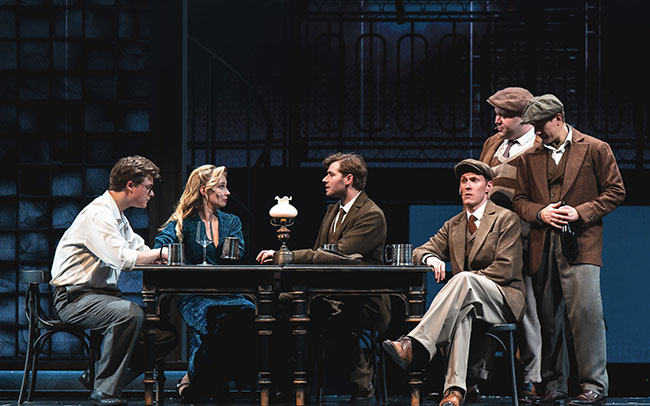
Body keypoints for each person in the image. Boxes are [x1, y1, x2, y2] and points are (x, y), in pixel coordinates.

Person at [382, 158, 526, 406]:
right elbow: (420, 251)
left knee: (463, 280)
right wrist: (431, 257)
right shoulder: (454, 224)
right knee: (462, 314)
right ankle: (455, 392)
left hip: (502, 299)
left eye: (474, 180)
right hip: (468, 300)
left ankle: (415, 344)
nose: (467, 186)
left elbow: (505, 269)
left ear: (488, 187)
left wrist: (463, 281)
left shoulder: (506, 219)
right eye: (463, 181)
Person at [513, 94, 625, 405]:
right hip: (542, 244)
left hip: (581, 242)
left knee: (586, 315)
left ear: (559, 118)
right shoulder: (528, 157)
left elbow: (616, 191)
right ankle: (554, 384)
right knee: (548, 318)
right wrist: (540, 213)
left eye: (541, 125)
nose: (537, 132)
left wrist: (581, 211)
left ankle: (594, 385)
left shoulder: (595, 148)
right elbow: (519, 200)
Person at [257, 152, 388, 401]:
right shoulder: (333, 211)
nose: (324, 180)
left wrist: (287, 256)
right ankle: (290, 379)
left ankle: (362, 376)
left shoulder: (371, 215)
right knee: (279, 303)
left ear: (348, 179)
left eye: (330, 174)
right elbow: (321, 253)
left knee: (332, 319)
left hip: (361, 298)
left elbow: (337, 255)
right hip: (329, 293)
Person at [50, 155, 175, 406]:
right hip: (75, 298)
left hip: (100, 297)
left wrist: (156, 257)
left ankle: (97, 375)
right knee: (129, 314)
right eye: (148, 187)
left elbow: (138, 249)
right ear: (130, 186)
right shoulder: (99, 214)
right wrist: (159, 253)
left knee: (165, 334)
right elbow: (122, 258)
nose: (151, 194)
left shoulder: (118, 217)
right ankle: (104, 391)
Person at [465, 87, 543, 401]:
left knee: (526, 309)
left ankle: (531, 378)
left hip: (523, 239)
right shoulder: (492, 144)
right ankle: (474, 376)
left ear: (525, 118)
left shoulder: (539, 147)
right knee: (481, 308)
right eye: (496, 114)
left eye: (504, 115)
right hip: (487, 238)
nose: (496, 121)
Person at [153, 164, 254, 402]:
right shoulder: (184, 222)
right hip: (194, 293)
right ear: (203, 190)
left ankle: (198, 380)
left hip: (228, 292)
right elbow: (162, 243)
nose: (228, 192)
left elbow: (237, 253)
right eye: (222, 187)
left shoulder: (231, 221)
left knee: (246, 314)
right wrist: (167, 253)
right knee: (216, 319)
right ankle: (206, 381)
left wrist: (228, 250)